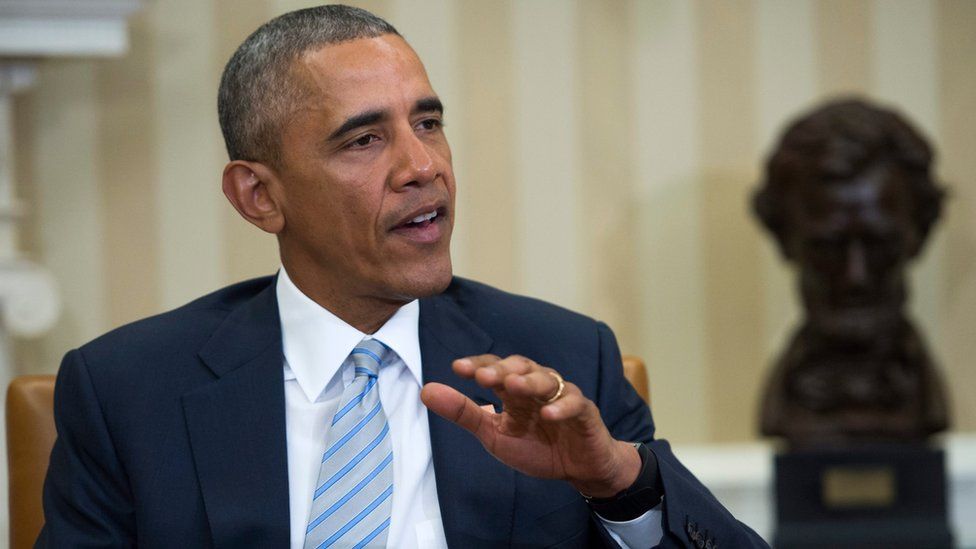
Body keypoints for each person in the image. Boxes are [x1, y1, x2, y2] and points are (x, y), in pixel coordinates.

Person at [40, 5, 766, 548]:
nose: (423, 166)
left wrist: (617, 482)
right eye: (364, 139)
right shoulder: (128, 393)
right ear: (259, 196)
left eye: (427, 123)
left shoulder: (566, 362)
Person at [753, 98, 949, 445]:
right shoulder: (788, 396)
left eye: (879, 245)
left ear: (919, 235)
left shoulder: (920, 392)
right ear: (785, 239)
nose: (855, 276)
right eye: (828, 246)